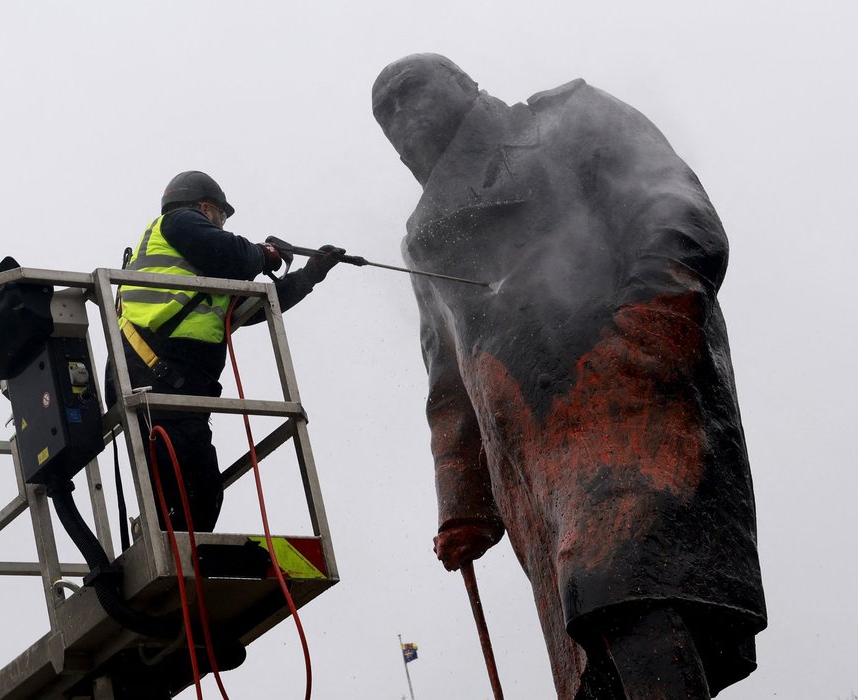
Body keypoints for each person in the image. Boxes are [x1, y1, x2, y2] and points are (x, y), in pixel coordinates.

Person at [373, 54, 766, 699]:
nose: (399, 118)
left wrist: (647, 328)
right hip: (530, 458)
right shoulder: (424, 237)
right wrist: (463, 497)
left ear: (467, 84)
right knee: (591, 647)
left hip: (631, 402)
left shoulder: (569, 119)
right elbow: (447, 372)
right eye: (384, 114)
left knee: (628, 586)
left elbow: (674, 210)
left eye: (411, 93)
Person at [110, 170, 343, 533]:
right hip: (158, 374)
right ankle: (172, 552)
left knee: (192, 490)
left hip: (171, 381)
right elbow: (232, 253)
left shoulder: (196, 269)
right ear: (205, 208)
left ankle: (163, 542)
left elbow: (254, 307)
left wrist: (311, 275)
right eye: (221, 216)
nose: (221, 224)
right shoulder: (179, 221)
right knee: (197, 491)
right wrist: (265, 255)